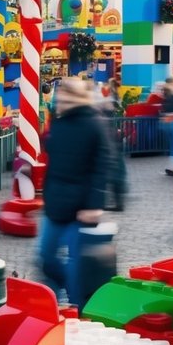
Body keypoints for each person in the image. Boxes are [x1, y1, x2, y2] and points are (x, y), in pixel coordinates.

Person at [39, 77, 114, 307]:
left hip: (81, 208)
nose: (59, 102)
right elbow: (53, 162)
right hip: (56, 203)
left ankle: (77, 307)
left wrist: (94, 204)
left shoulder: (95, 125)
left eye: (64, 98)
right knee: (46, 257)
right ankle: (54, 302)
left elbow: (102, 167)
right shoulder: (59, 124)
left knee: (75, 266)